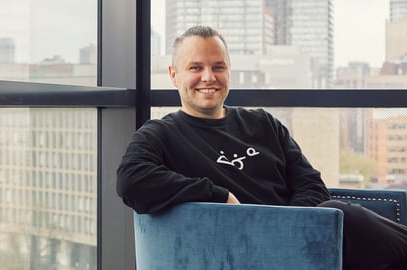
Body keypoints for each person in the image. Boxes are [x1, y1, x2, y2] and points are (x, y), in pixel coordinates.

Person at [116, 25, 407, 270]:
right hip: (242, 254)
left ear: (228, 71)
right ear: (174, 74)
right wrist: (220, 195)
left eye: (218, 66)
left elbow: (310, 184)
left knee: (339, 214)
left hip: (302, 246)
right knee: (344, 215)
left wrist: (290, 227)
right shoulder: (161, 133)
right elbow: (132, 180)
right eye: (195, 67)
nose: (208, 77)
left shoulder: (262, 122)